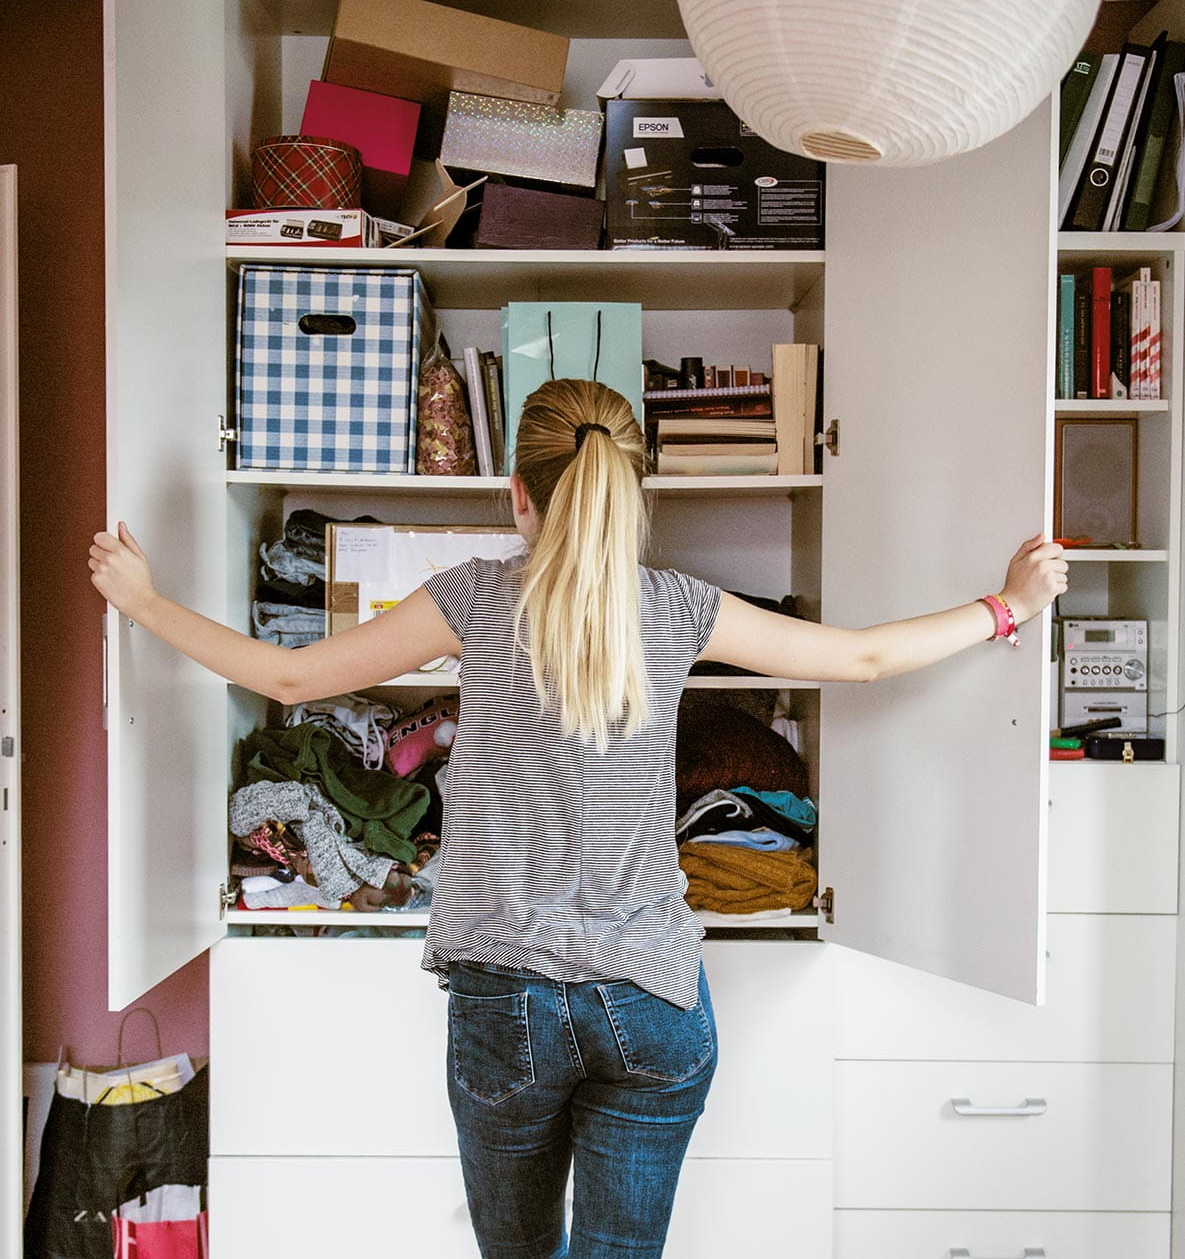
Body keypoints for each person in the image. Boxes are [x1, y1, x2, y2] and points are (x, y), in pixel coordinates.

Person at [89, 377, 1067, 1259]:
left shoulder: (473, 598)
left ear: (518, 493)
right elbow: (859, 658)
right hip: (652, 1005)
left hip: (504, 1001)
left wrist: (145, 601)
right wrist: (1007, 605)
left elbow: (293, 675)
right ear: (633, 492)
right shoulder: (679, 606)